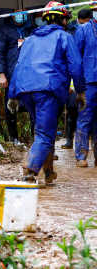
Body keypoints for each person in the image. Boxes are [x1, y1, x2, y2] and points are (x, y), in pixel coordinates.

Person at [8, 1, 86, 184]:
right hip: (47, 89)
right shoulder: (64, 37)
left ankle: (49, 172)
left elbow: (17, 67)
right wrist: (81, 92)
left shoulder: (30, 39)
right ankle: (29, 170)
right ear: (64, 20)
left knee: (43, 129)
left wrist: (12, 95)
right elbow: (76, 66)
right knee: (45, 133)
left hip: (26, 90)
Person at [0, 8, 35, 145]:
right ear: (12, 13)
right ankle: (14, 139)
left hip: (31, 74)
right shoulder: (4, 31)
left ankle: (35, 137)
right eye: (18, 10)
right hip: (12, 75)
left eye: (24, 10)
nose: (21, 13)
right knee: (11, 106)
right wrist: (2, 75)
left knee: (34, 105)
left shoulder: (31, 28)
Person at [62, 9, 92, 149]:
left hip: (87, 73)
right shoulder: (72, 31)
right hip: (77, 74)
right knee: (73, 107)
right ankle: (70, 140)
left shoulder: (91, 29)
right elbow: (72, 58)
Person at [74, 4, 97, 167]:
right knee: (85, 117)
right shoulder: (83, 29)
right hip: (88, 80)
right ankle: (81, 155)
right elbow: (75, 57)